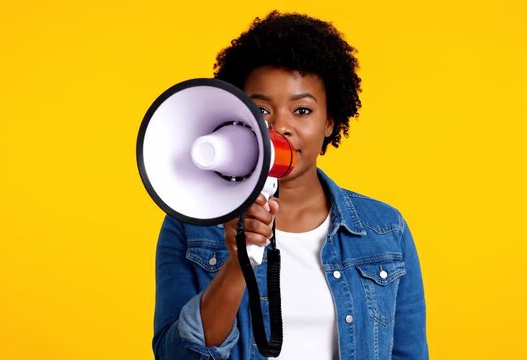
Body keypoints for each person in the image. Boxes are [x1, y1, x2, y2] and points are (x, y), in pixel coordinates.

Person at [152, 10, 428, 360]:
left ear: (330, 122)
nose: (280, 127)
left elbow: (409, 354)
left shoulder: (385, 230)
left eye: (302, 111)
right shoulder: (191, 225)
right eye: (262, 110)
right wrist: (238, 265)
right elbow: (175, 355)